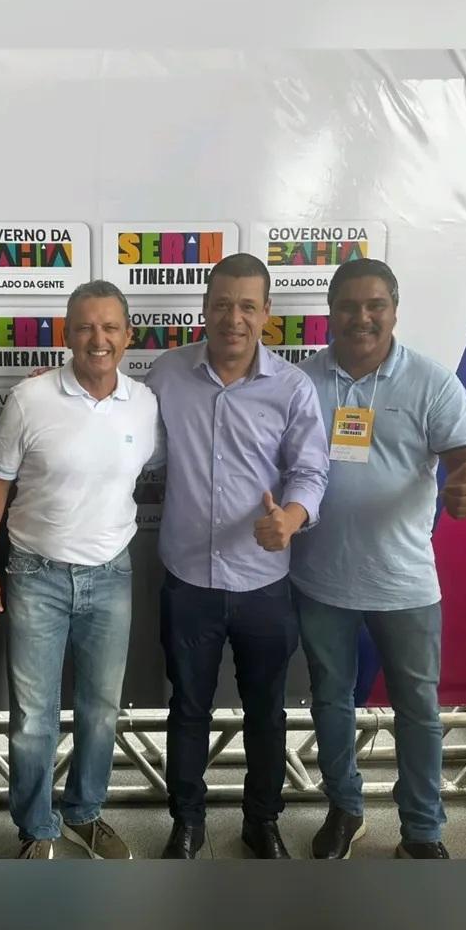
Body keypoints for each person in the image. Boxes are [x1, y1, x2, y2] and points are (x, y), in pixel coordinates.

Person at [291, 257, 466, 860]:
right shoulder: (300, 381)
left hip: (404, 582)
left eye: (375, 305)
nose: (362, 317)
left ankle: (423, 831)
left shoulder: (431, 381)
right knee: (331, 701)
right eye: (348, 306)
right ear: (330, 313)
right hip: (320, 579)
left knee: (418, 711)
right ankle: (344, 810)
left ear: (394, 311)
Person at [146, 253, 330, 859]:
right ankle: (187, 822)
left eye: (248, 306)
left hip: (263, 583)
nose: (234, 318)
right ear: (204, 308)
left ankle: (262, 821)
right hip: (188, 580)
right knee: (188, 708)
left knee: (266, 711)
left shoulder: (293, 387)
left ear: (266, 313)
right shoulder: (167, 373)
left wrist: (292, 518)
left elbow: (310, 470)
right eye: (223, 304)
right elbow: (129, 439)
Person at [0, 281, 158, 859]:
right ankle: (36, 827)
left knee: (101, 710)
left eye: (110, 327)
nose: (98, 339)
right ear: (67, 334)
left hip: (111, 574)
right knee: (33, 717)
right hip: (36, 573)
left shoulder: (145, 403)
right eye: (85, 327)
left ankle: (84, 812)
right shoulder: (30, 399)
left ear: (128, 336)